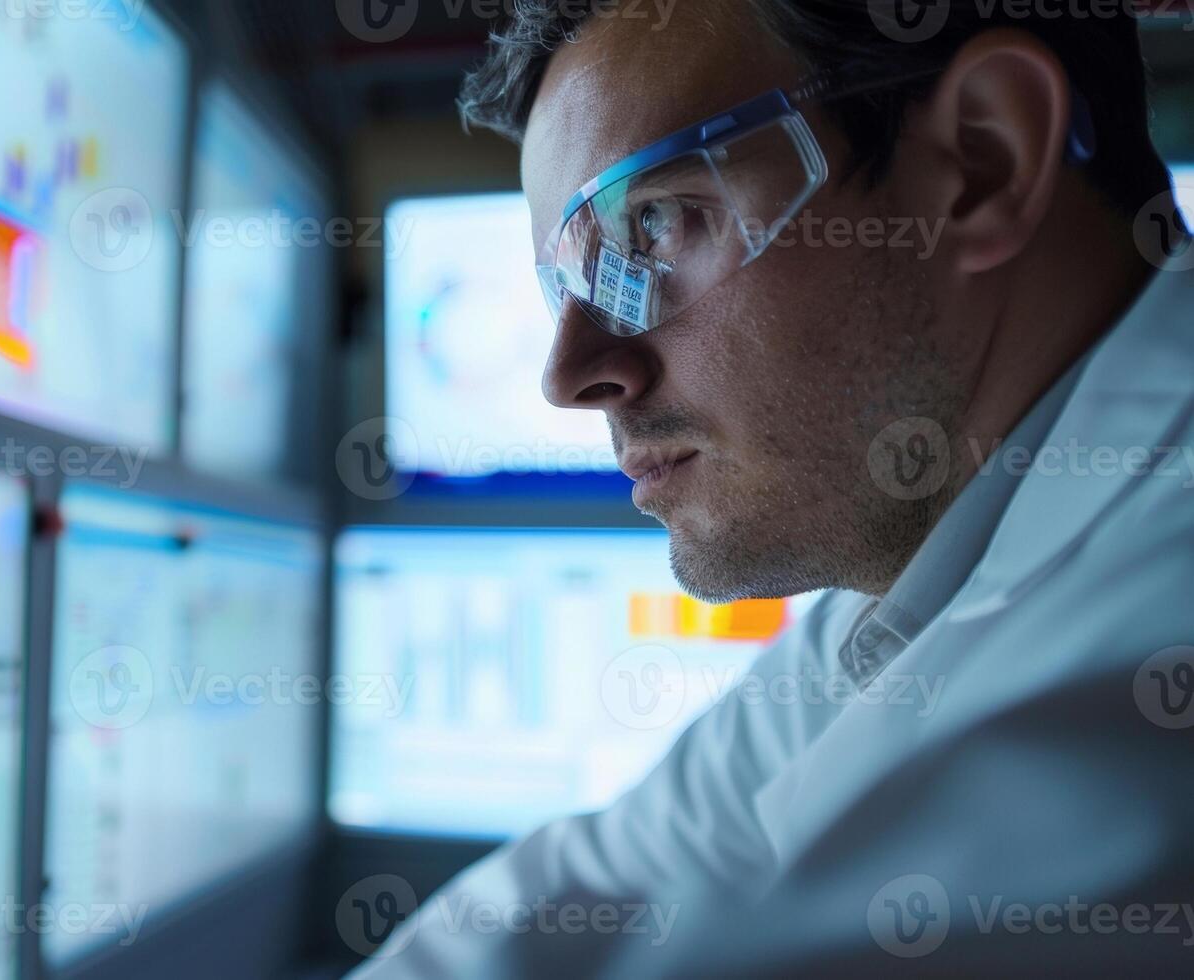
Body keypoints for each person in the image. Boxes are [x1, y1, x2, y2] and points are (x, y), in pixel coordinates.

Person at [352, 0, 1194, 974]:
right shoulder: (917, 578)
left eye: (657, 223)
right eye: (570, 281)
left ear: (985, 158)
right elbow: (592, 893)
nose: (571, 372)